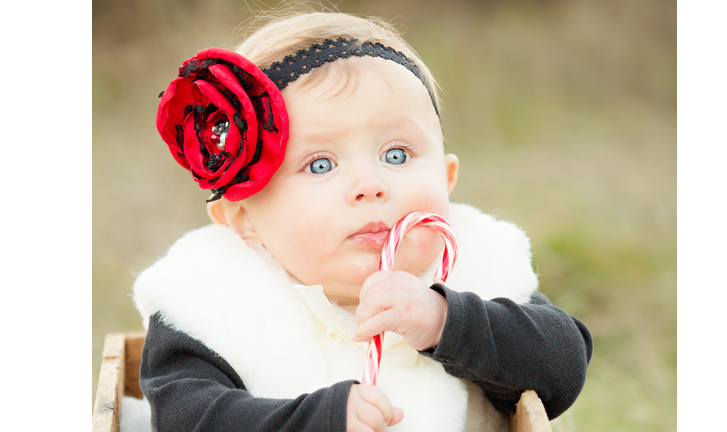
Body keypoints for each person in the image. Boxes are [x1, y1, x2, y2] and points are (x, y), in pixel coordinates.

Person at [132, 10, 592, 432]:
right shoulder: (211, 300)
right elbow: (186, 417)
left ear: (447, 177)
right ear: (242, 218)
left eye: (396, 154)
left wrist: (444, 321)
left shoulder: (478, 265)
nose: (369, 185)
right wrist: (320, 420)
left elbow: (565, 366)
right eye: (319, 165)